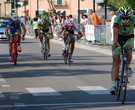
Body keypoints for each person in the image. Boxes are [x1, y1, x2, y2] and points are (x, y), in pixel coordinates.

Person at [110, 6, 135, 95]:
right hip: (119, 38)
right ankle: (113, 85)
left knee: (129, 51)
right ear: (120, 17)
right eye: (123, 18)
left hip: (129, 37)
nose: (125, 20)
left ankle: (127, 67)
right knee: (115, 60)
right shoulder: (117, 19)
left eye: (127, 18)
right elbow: (115, 32)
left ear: (130, 17)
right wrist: (115, 44)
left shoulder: (134, 19)